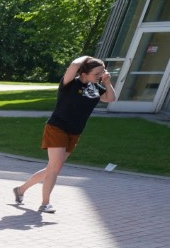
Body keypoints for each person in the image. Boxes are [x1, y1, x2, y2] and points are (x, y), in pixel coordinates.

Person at [12, 56, 116, 214]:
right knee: (54, 168)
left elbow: (111, 98)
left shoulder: (96, 87)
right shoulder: (70, 83)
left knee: (54, 167)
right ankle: (45, 204)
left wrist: (107, 82)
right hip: (57, 127)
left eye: (102, 73)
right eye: (97, 73)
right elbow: (74, 64)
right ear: (84, 73)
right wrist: (88, 57)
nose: (100, 76)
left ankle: (20, 190)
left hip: (75, 131)